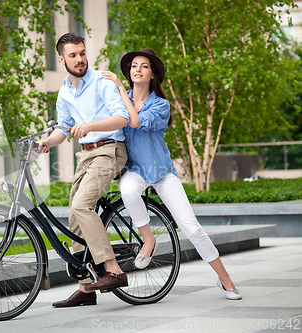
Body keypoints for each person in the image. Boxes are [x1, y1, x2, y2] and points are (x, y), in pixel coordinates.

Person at [101, 48, 242, 300]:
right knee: (127, 190)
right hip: (134, 169)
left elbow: (134, 121)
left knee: (192, 228)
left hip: (161, 171)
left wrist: (121, 92)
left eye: (144, 66)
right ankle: (148, 240)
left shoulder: (161, 105)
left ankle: (225, 279)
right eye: (134, 65)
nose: (137, 70)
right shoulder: (119, 101)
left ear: (153, 74)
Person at [37, 32, 130, 307]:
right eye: (73, 55)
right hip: (86, 156)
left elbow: (121, 117)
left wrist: (89, 126)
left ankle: (114, 270)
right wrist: (46, 143)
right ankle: (86, 287)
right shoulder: (65, 91)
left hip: (110, 149)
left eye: (82, 53)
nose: (80, 59)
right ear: (61, 58)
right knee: (74, 214)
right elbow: (63, 130)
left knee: (81, 205)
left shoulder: (101, 82)